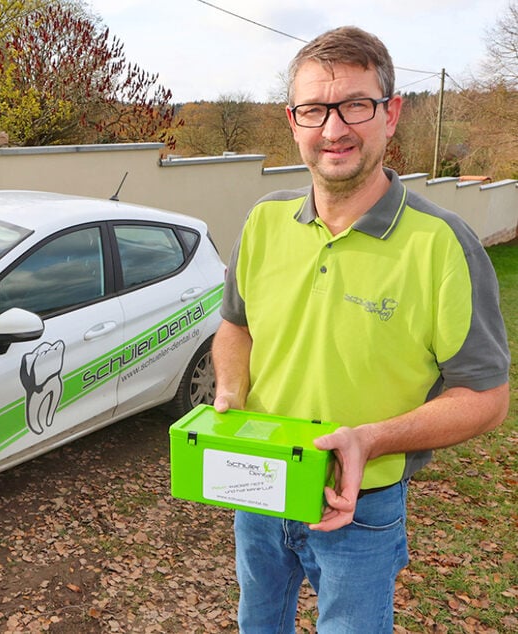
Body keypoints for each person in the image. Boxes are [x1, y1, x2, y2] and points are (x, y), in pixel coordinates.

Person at [212, 26, 511, 633]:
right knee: (256, 623)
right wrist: (230, 393)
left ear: (391, 114)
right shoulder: (264, 222)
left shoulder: (442, 244)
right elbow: (234, 326)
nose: (333, 129)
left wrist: (370, 439)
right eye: (314, 109)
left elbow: (486, 397)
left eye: (355, 105)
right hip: (261, 488)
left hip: (362, 509)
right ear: (292, 120)